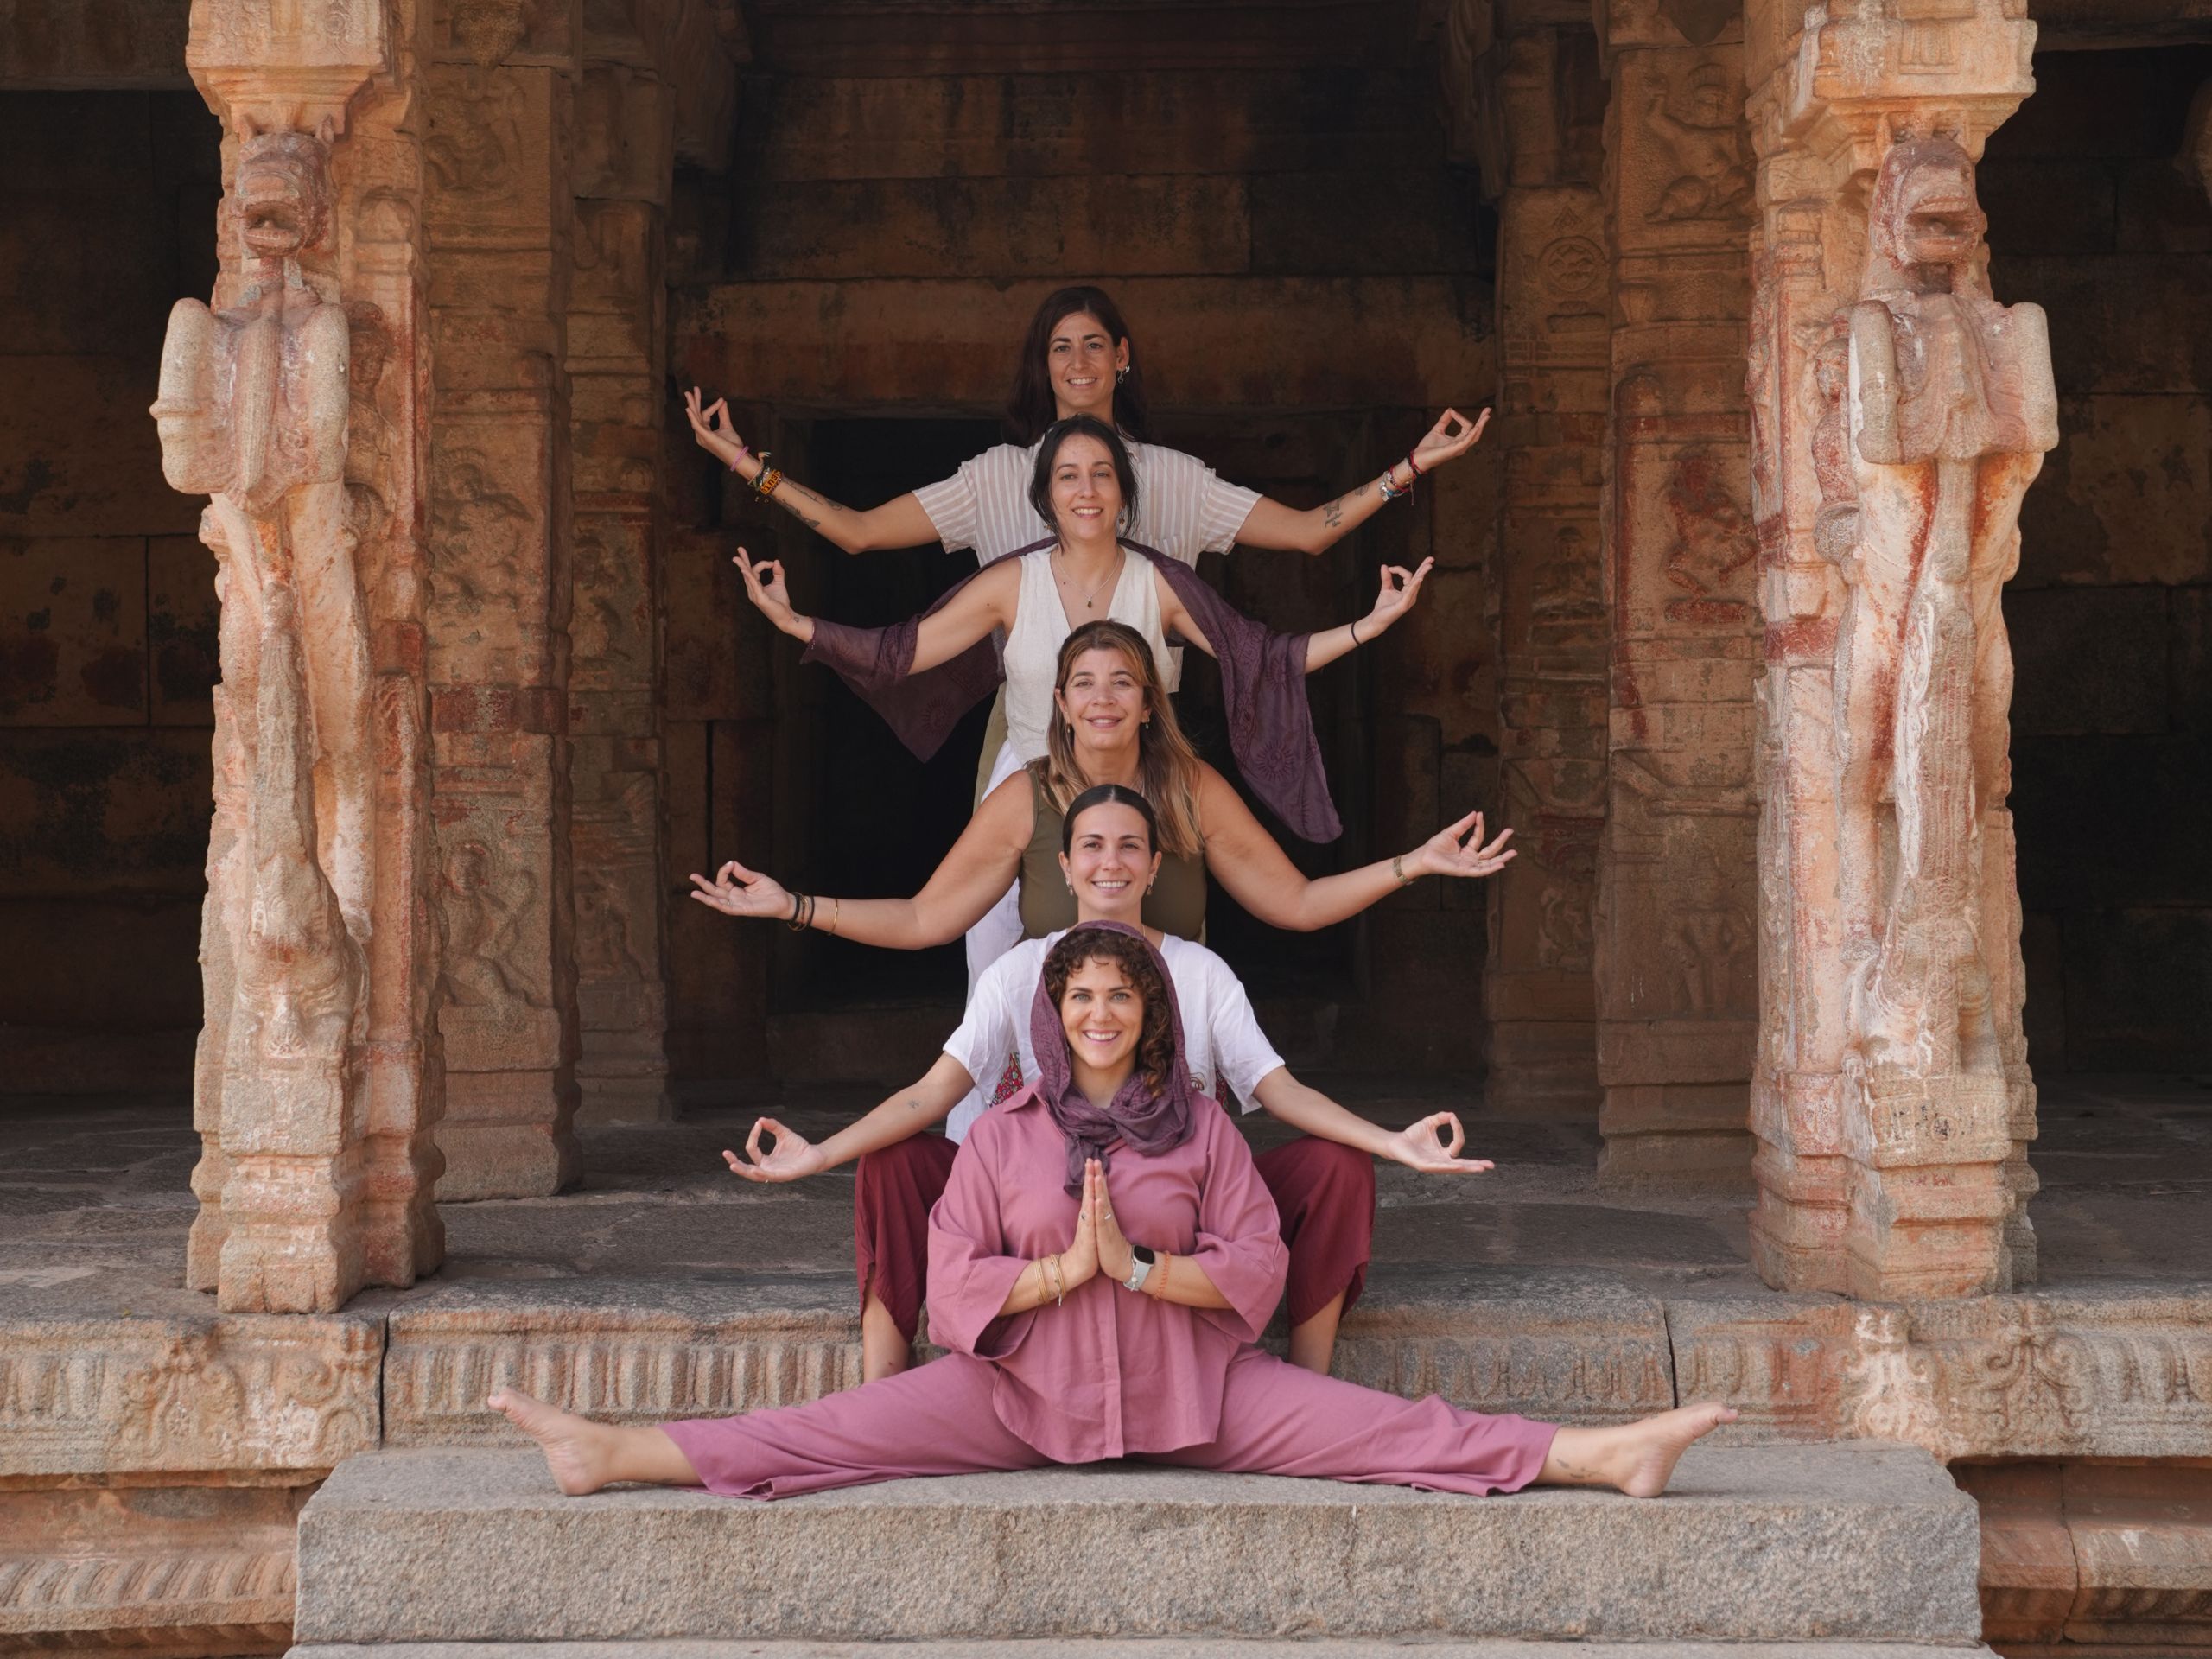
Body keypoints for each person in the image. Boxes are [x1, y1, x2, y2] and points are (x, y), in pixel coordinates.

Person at [489, 925, 1737, 1503]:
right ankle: (611, 1453)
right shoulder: (1007, 1133)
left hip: (1199, 1391)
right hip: (1021, 1400)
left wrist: (1136, 1269)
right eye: (1079, 995)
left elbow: (1255, 1264)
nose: (1099, 1015)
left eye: (1121, 997)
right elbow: (953, 1268)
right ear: (1052, 1010)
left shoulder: (1199, 1125)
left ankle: (1600, 1453)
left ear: (1151, 1011)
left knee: (1392, 1432)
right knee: (828, 1436)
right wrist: (1053, 1279)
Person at [726, 785, 1497, 1382]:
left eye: (1131, 846)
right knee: (894, 1163)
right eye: (1091, 845)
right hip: (1033, 1203)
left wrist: (1393, 1142)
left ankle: (1304, 1380)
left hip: (1169, 1209)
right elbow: (931, 1095)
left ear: (1156, 866)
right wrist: (820, 1153)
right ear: (1064, 866)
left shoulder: (1199, 971)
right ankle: (882, 1388)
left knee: (1336, 1167)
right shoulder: (1022, 968)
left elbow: (1281, 1090)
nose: (1111, 861)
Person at [738, 416, 1427, 989]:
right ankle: (998, 1127)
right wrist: (797, 624)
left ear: (1125, 495)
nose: (1087, 489)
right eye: (1068, 475)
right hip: (1036, 777)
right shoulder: (1013, 582)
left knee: (1170, 950)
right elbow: (898, 653)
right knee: (995, 967)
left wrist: (1371, 625)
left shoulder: (1161, 588)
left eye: (1102, 474)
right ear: (1045, 497)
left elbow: (1265, 656)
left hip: (1142, 778)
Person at [686, 619, 1515, 986]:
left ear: (1151, 702)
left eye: (1124, 680)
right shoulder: (1027, 794)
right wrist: (791, 907)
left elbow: (1294, 902)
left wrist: (1417, 862)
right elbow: (922, 919)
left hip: (1169, 1027)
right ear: (1062, 705)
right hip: (1060, 1029)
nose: (1104, 696)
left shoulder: (1190, 789)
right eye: (1084, 683)